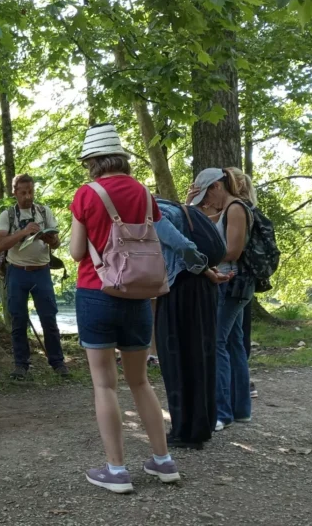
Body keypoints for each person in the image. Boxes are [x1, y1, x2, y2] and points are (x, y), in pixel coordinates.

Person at [69, 123, 179, 494]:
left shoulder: (87, 194)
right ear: (120, 158)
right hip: (138, 293)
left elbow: (77, 252)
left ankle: (116, 470)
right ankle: (163, 461)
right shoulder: (145, 194)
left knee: (105, 384)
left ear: (93, 162)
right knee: (140, 381)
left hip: (96, 292)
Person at [154, 200, 231, 450]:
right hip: (203, 288)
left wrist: (202, 268)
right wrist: (207, 271)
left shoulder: (155, 211)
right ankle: (202, 424)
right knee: (201, 356)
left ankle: (186, 431)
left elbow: (182, 246)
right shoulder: (177, 207)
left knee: (177, 358)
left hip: (180, 288)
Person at [189, 167, 254, 432]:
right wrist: (190, 205)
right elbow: (193, 224)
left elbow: (233, 251)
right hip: (229, 282)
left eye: (206, 196)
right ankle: (241, 410)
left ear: (217, 186)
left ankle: (222, 412)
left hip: (231, 283)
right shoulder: (225, 209)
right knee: (234, 343)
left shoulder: (235, 209)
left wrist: (202, 258)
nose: (206, 202)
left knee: (216, 342)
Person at [0, 174, 68, 379]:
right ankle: (21, 365)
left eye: (31, 192)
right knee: (18, 319)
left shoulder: (44, 212)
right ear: (15, 193)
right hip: (17, 272)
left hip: (42, 271)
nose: (28, 196)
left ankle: (58, 363)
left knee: (49, 318)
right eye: (23, 192)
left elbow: (56, 244)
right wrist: (23, 232)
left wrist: (50, 239)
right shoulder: (7, 215)